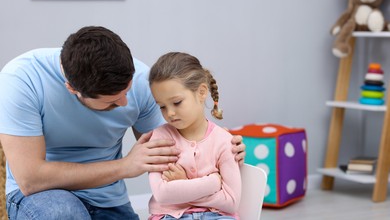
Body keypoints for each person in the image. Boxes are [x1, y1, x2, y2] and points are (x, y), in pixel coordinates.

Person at [0, 26, 245, 219]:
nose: (126, 103)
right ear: (72, 89)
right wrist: (125, 167)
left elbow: (174, 145)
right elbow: (31, 179)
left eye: (127, 91)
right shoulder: (21, 80)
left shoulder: (141, 79)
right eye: (113, 101)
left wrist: (218, 144)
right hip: (43, 197)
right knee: (63, 214)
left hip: (108, 200)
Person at [147, 52, 241, 220]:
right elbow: (162, 194)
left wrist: (184, 184)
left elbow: (231, 202)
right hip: (169, 216)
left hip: (217, 216)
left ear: (202, 92)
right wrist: (212, 183)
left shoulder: (224, 141)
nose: (170, 113)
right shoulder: (159, 139)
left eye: (176, 102)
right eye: (162, 106)